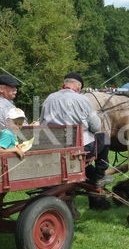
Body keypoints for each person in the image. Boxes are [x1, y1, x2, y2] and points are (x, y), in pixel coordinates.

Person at [40, 72, 113, 209]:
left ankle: (91, 176)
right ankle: (98, 176)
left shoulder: (49, 98)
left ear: (65, 83)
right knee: (105, 138)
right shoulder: (82, 100)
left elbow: (42, 122)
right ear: (78, 86)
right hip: (77, 148)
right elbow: (96, 126)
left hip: (53, 147)